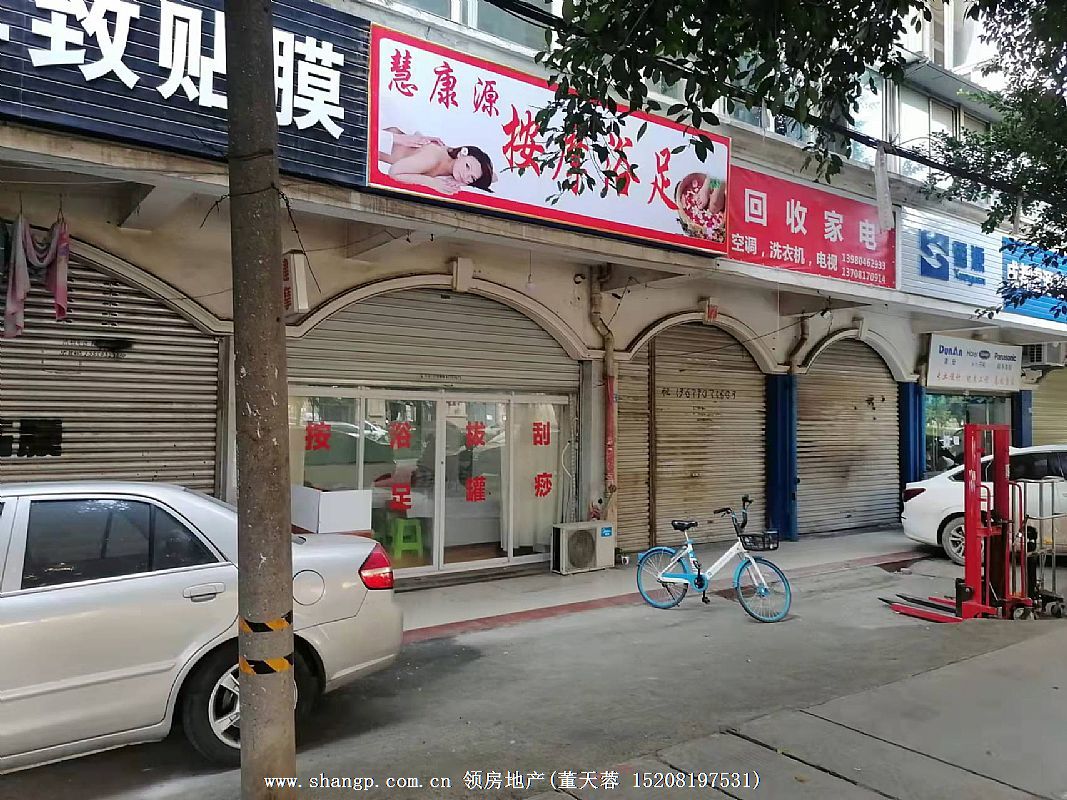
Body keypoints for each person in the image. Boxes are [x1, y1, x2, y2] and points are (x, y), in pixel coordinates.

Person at [379, 127, 496, 195]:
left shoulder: (451, 162)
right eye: (467, 166)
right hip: (377, 143)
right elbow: (394, 172)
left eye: (472, 178)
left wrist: (465, 181)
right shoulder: (433, 158)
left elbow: (494, 178)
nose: (465, 175)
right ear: (462, 153)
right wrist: (431, 183)